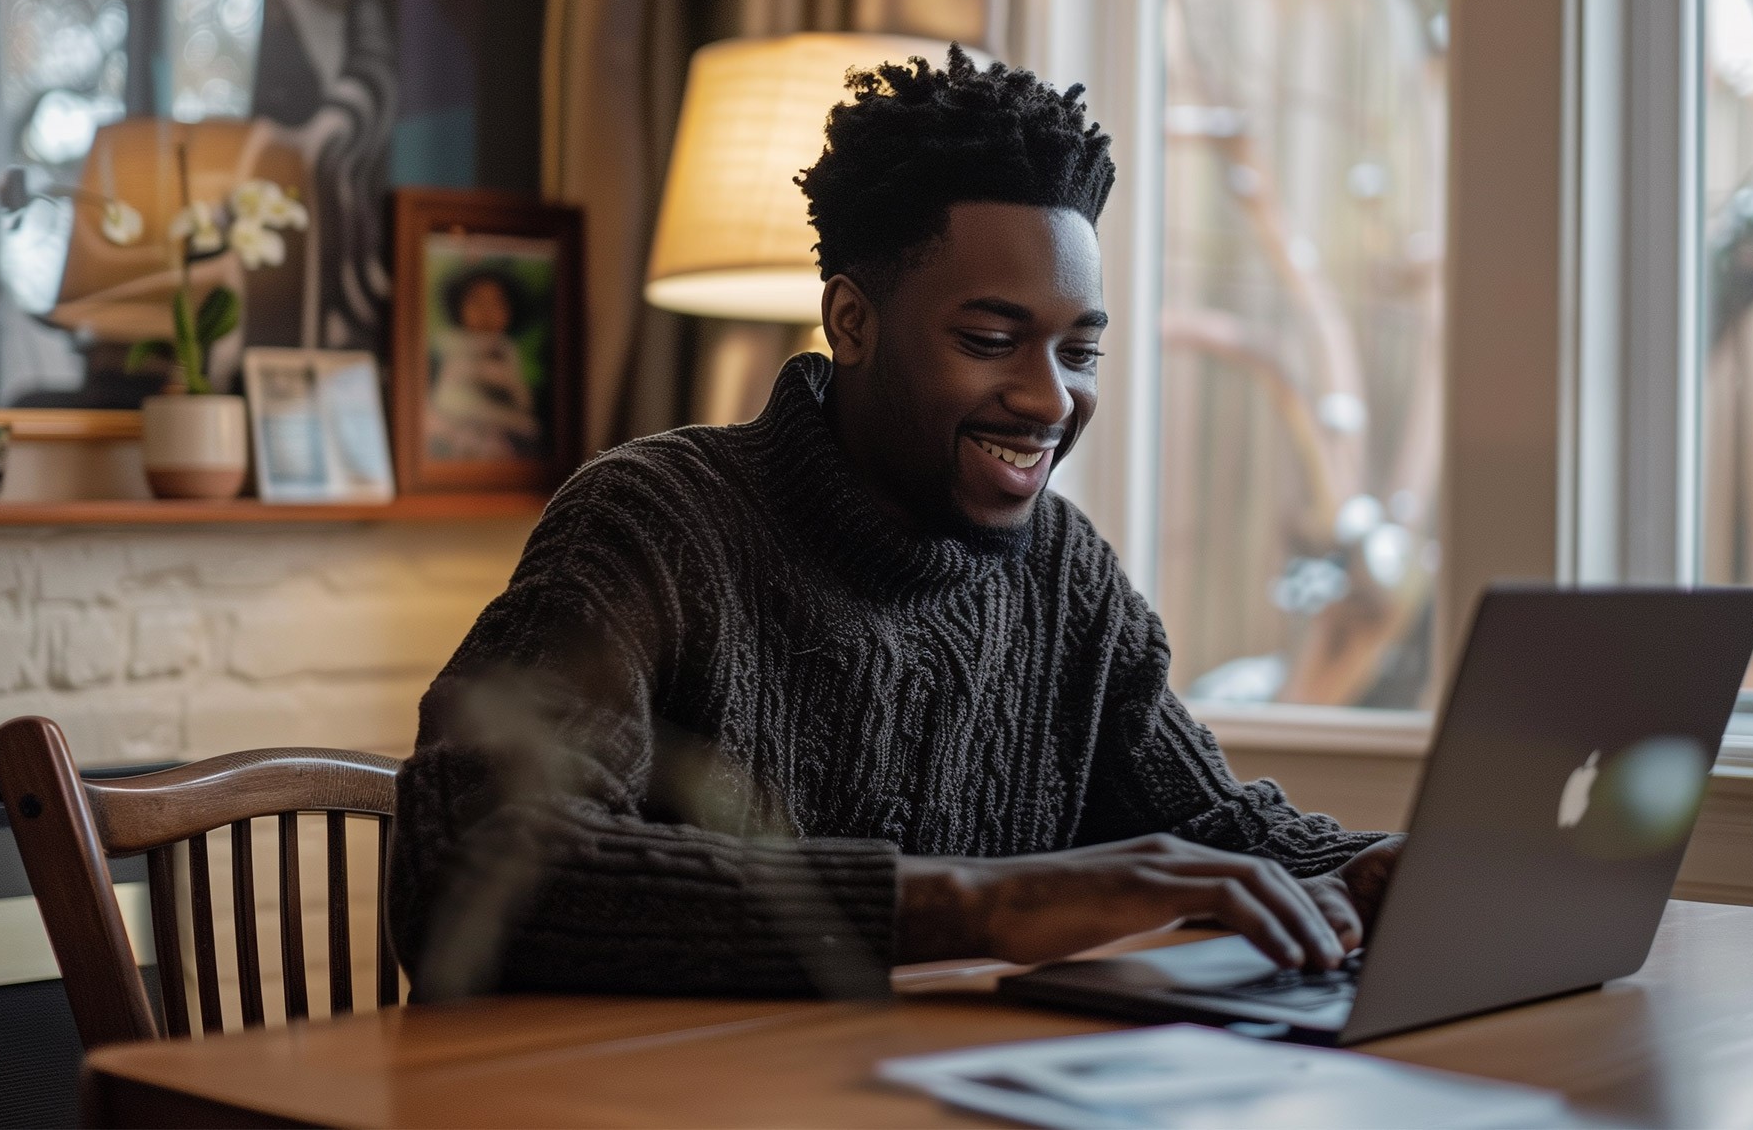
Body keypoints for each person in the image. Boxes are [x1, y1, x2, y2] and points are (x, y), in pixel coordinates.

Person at [389, 48, 1403, 999]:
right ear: (851, 322)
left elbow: (1207, 827)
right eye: (990, 338)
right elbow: (477, 866)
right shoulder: (653, 522)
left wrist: (1386, 869)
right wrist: (979, 902)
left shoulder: (1060, 572)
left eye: (1077, 353)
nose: (1049, 399)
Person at [425, 265, 542, 462]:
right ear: (459, 306)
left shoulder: (506, 351)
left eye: (497, 303)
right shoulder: (446, 346)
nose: (486, 312)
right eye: (477, 301)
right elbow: (443, 399)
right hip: (452, 430)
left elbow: (522, 401)